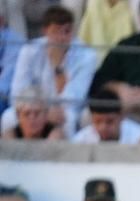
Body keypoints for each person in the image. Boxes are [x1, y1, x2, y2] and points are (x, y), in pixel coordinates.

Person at [6, 5, 96, 134]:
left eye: (67, 31)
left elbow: (73, 100)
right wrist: (43, 111)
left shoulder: (87, 56)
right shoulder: (29, 50)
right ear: (45, 31)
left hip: (65, 110)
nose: (62, 38)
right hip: (33, 106)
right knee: (8, 118)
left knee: (68, 119)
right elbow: (17, 93)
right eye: (56, 31)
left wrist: (57, 68)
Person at [72, 87, 140, 140]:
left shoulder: (139, 136)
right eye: (98, 121)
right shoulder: (82, 139)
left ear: (121, 117)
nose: (103, 127)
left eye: (109, 121)